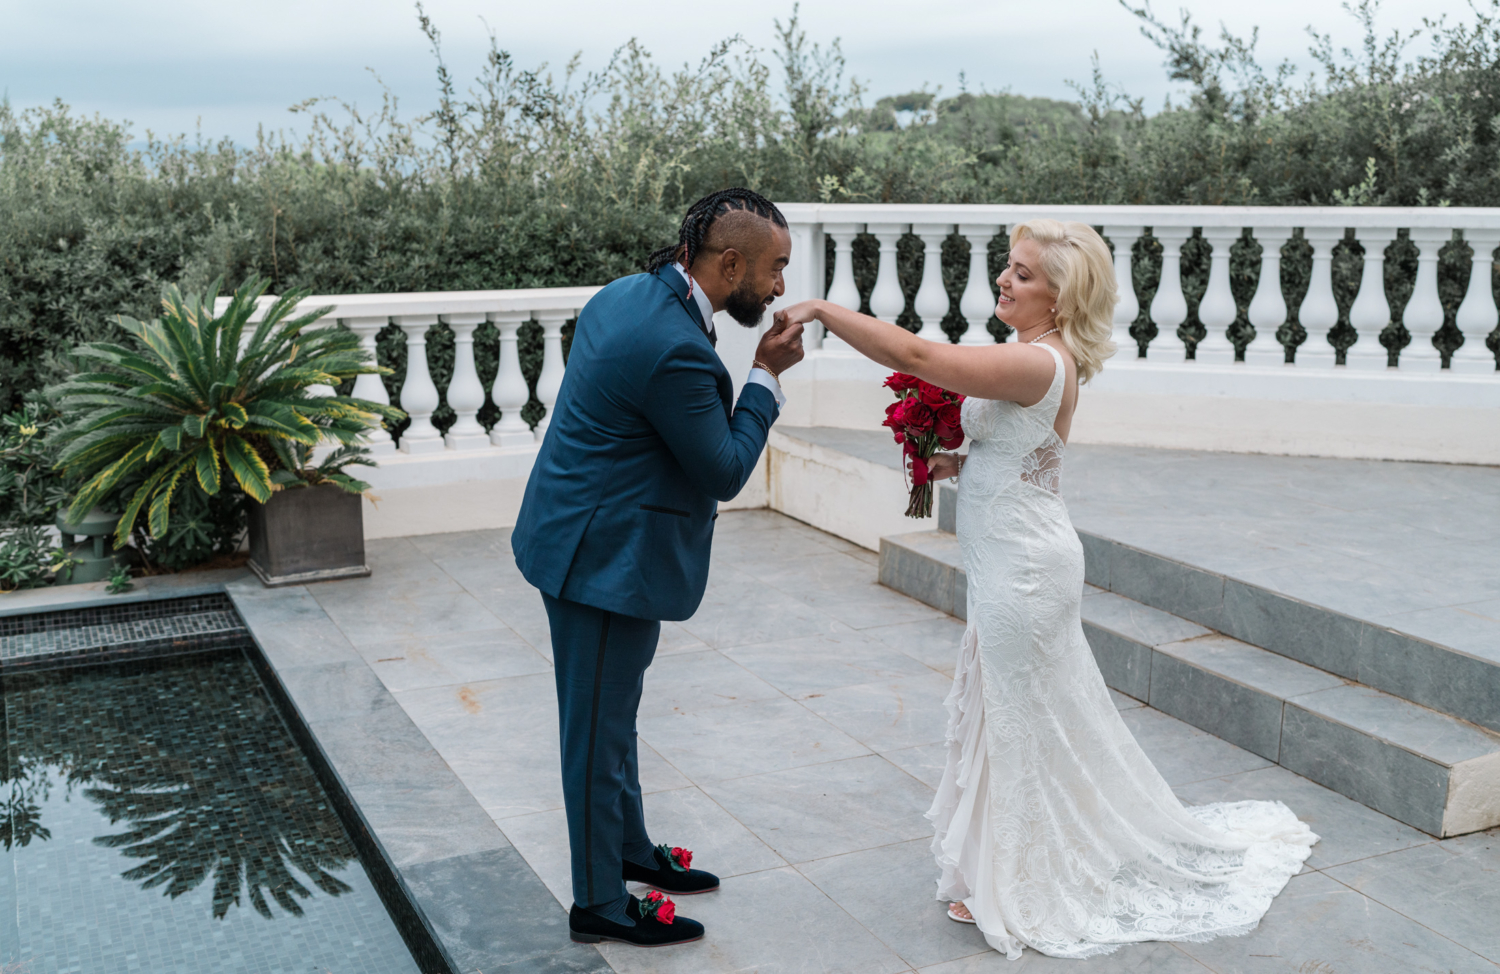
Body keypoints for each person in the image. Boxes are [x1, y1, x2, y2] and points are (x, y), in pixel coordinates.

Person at [772, 219, 1317, 960]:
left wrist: (819, 309)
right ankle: (1003, 865)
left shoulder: (1036, 363)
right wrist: (956, 464)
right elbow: (1024, 452)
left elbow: (916, 353)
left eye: (1024, 273)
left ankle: (1017, 881)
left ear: (1061, 298)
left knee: (1016, 721)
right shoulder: (1037, 357)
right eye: (1010, 266)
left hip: (1025, 571)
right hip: (1016, 562)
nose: (1005, 278)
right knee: (1011, 715)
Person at [511, 188, 805, 948]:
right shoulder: (676, 348)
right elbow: (722, 468)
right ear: (729, 262)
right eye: (774, 270)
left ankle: (630, 848)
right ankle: (600, 903)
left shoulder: (626, 294)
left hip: (581, 533)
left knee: (613, 716)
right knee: (595, 732)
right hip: (601, 562)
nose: (779, 288)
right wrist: (766, 376)